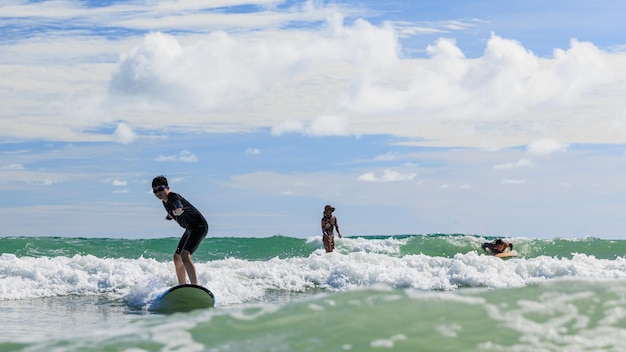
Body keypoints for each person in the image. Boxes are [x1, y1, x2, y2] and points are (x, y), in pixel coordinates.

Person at [152, 175, 208, 285]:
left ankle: (195, 286)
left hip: (199, 227)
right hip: (190, 229)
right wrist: (169, 215)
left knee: (185, 255)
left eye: (160, 189)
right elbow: (171, 210)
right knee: (177, 257)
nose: (158, 192)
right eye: (155, 191)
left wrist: (178, 209)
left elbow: (178, 206)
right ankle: (182, 286)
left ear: (167, 188)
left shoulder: (173, 196)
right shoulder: (164, 202)